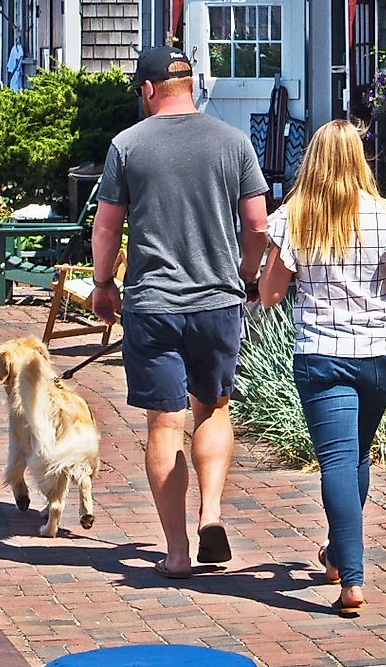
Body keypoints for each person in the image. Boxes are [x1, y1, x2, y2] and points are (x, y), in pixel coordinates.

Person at [90, 46, 268, 578]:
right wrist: (246, 277)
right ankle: (211, 512)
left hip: (153, 301)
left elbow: (106, 227)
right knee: (212, 409)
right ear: (191, 85)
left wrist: (102, 284)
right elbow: (258, 226)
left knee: (164, 425)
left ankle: (175, 551)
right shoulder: (233, 142)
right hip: (217, 300)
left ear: (147, 90)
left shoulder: (127, 146)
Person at [256, 120, 386, 617]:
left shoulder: (293, 217)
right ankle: (337, 557)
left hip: (322, 353)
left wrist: (275, 253)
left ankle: (351, 579)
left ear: (312, 160)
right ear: (358, 159)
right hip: (376, 354)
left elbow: (269, 294)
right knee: (356, 459)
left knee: (337, 461)